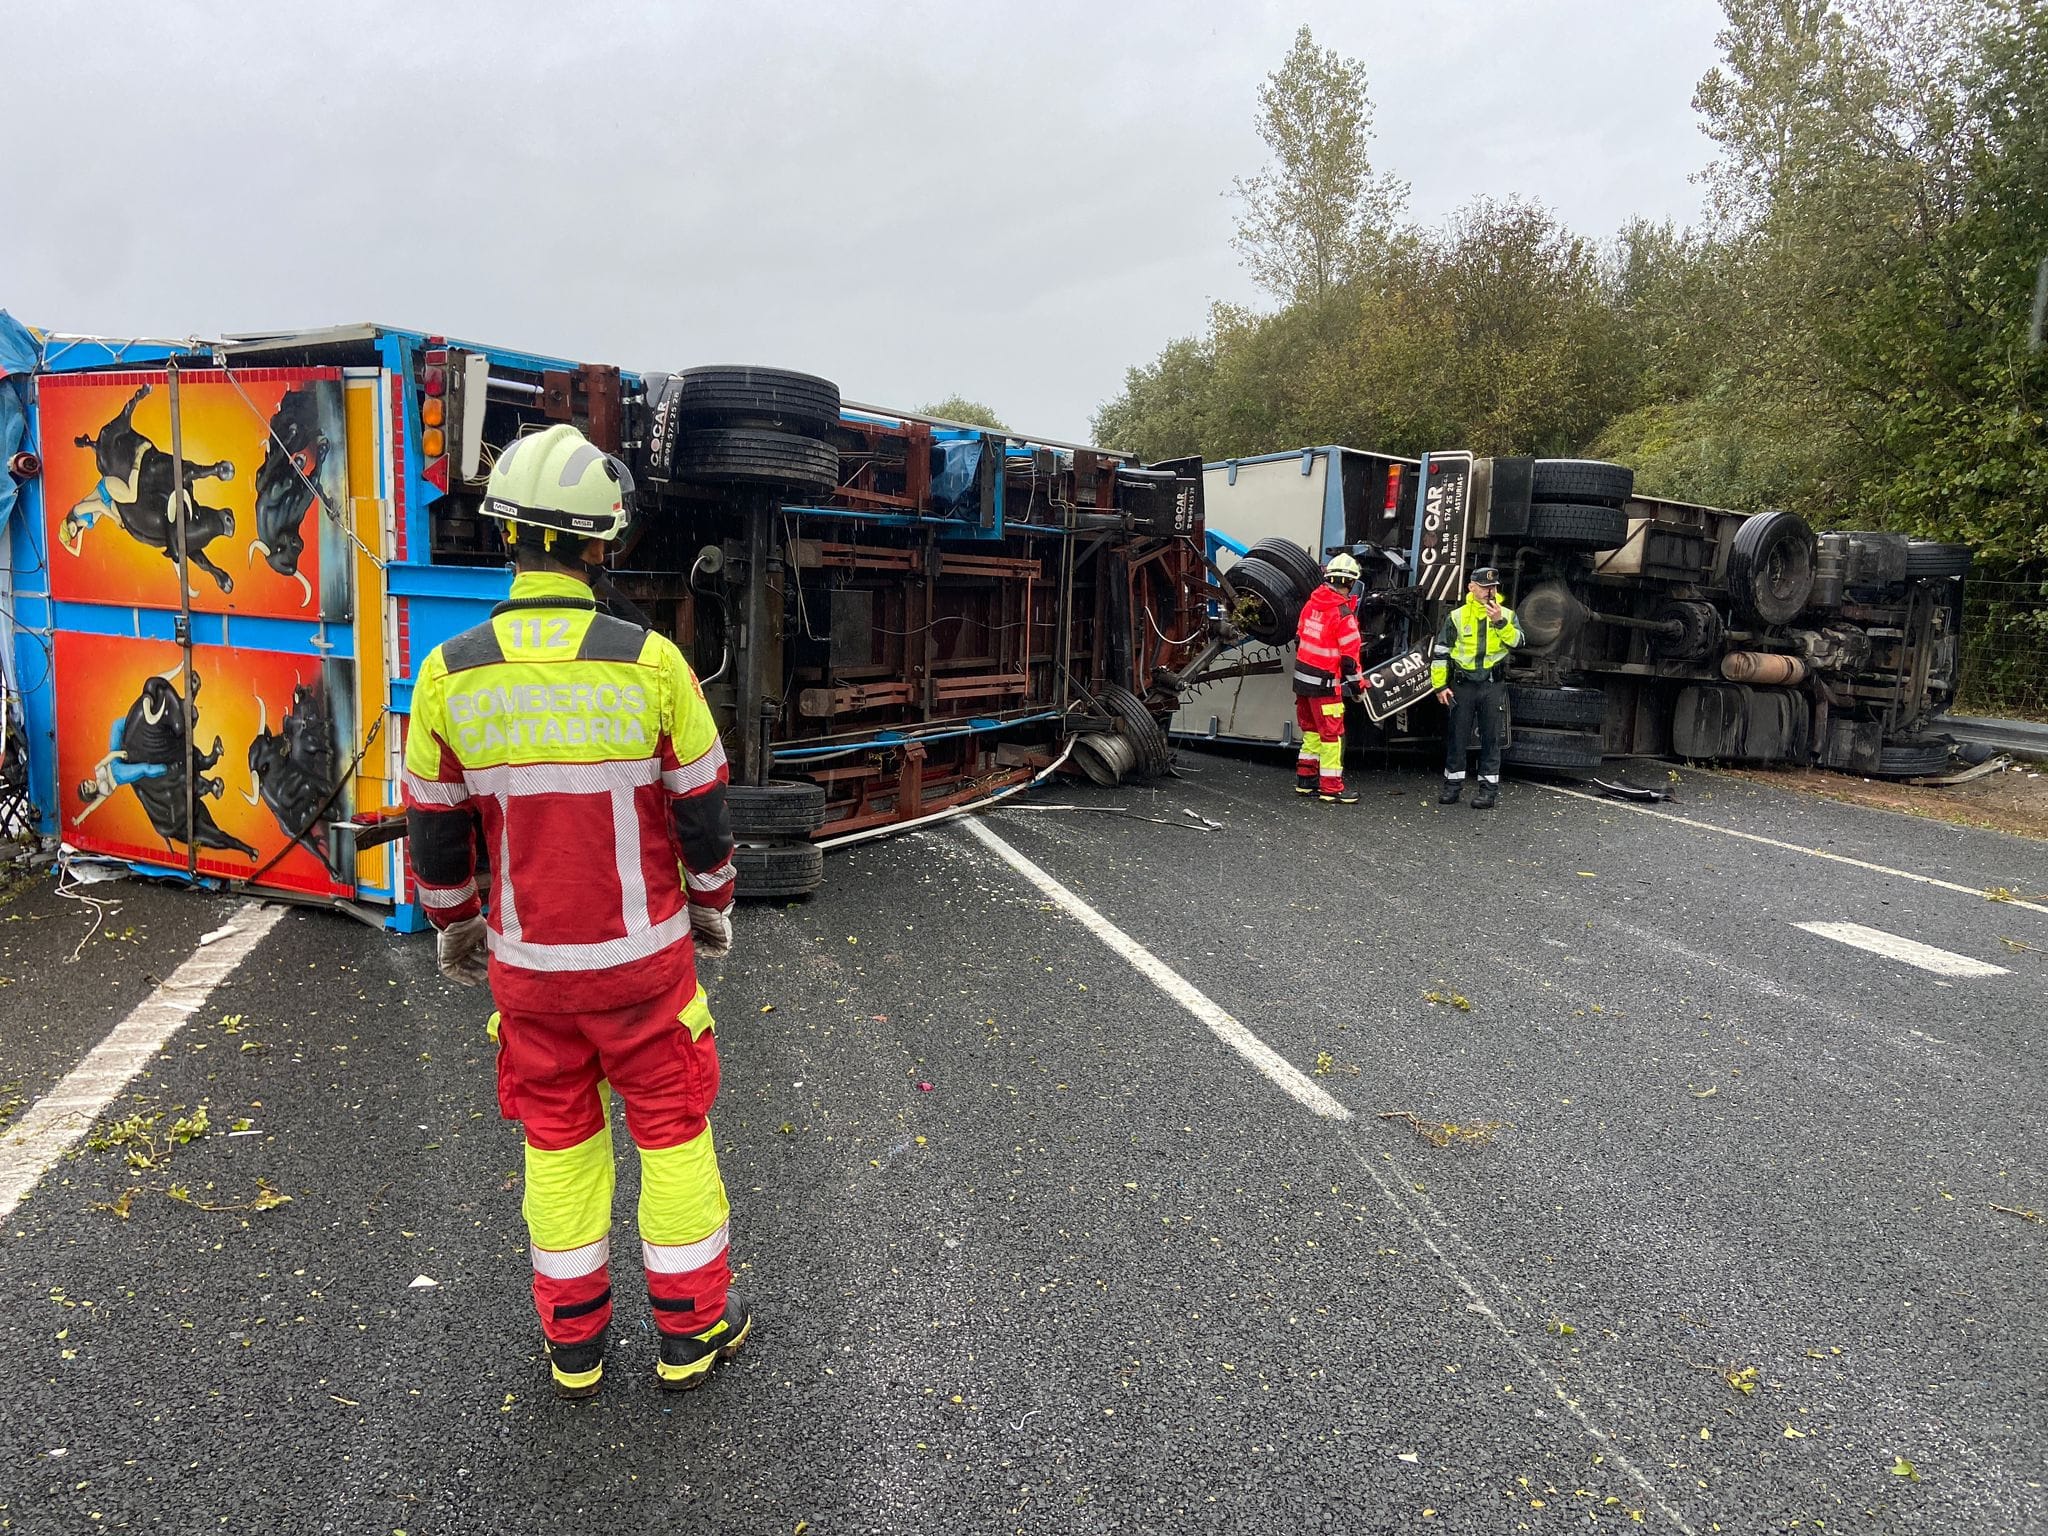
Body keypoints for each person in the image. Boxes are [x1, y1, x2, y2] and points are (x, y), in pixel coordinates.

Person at [402, 423, 747, 1400]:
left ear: (506, 533)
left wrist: (458, 927)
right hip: (644, 973)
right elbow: (705, 815)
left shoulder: (447, 673)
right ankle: (690, 1335)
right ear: (601, 545)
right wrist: (711, 909)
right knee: (673, 1138)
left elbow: (434, 835)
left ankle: (574, 1348)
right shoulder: (652, 665)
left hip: (531, 980)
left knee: (557, 1148)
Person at [1432, 565, 1521, 809]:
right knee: (1457, 736)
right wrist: (1440, 686)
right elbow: (1441, 652)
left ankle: (1488, 791)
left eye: (1493, 587)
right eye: (1484, 587)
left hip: (1492, 685)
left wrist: (1500, 622)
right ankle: (1452, 787)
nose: (1489, 592)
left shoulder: (1507, 614)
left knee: (1491, 738)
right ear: (1471, 587)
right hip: (1463, 685)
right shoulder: (1457, 616)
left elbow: (1519, 641)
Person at [1292, 552, 1365, 804]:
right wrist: (1358, 687)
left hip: (1303, 683)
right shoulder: (1343, 614)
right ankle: (1331, 788)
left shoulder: (1311, 604)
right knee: (1332, 736)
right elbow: (1349, 659)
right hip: (1325, 686)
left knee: (1311, 732)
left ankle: (1305, 780)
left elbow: (1300, 637)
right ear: (1350, 582)